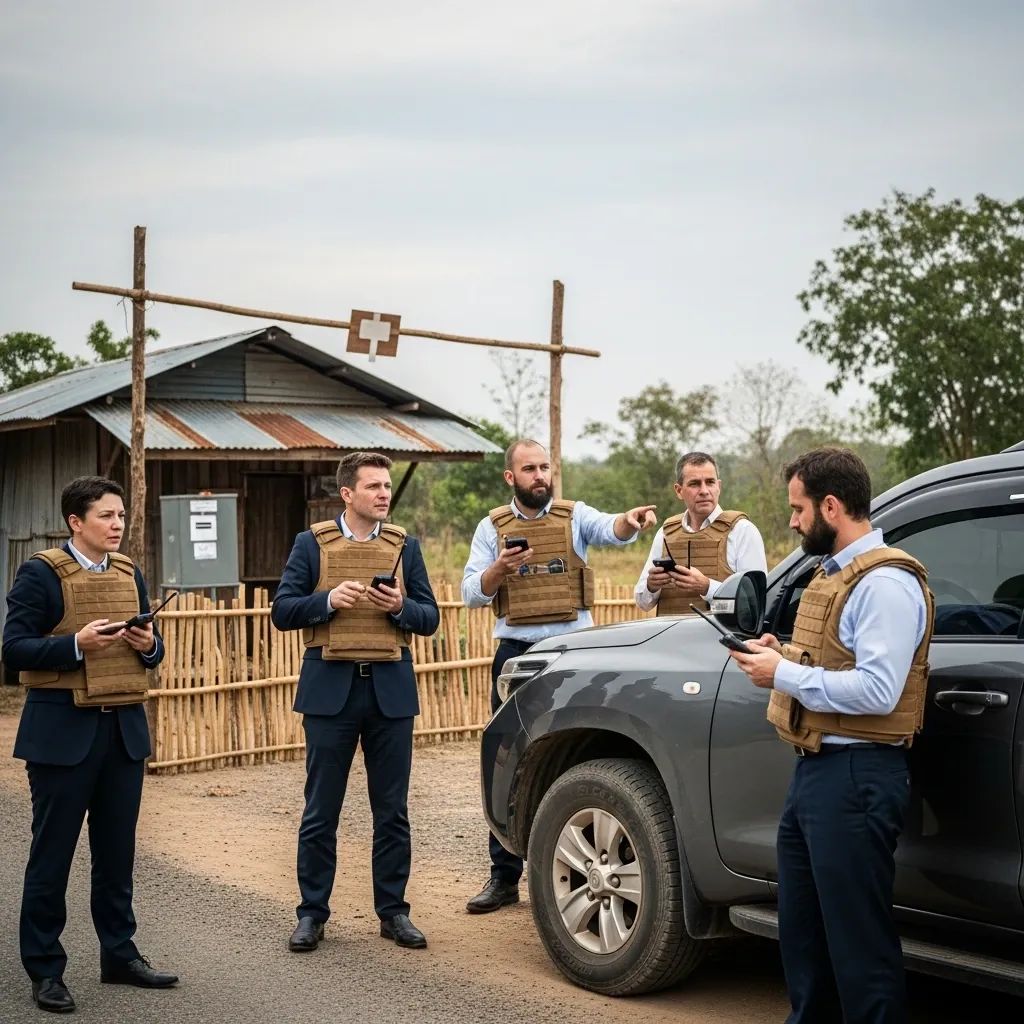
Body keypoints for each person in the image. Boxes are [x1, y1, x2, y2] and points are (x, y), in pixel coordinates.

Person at [729, 448, 934, 1024]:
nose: (792, 521)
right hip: (817, 773)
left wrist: (782, 674)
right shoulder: (839, 575)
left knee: (856, 941)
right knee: (805, 934)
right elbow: (840, 662)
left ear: (831, 506)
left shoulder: (885, 584)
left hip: (857, 776)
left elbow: (878, 692)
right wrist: (784, 653)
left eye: (798, 509)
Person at [2, 476, 178, 1014]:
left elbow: (152, 654)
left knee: (117, 855)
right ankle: (44, 969)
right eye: (106, 515)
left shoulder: (129, 572)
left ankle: (119, 955)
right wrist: (74, 645)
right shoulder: (40, 573)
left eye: (121, 514)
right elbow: (14, 649)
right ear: (76, 522)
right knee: (51, 857)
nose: (118, 524)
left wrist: (150, 644)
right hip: (61, 736)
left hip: (123, 732)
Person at [462, 438, 657, 913]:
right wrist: (499, 569)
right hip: (516, 656)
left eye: (545, 467)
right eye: (530, 469)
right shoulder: (491, 527)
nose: (540, 476)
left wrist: (628, 521)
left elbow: (612, 530)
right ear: (511, 477)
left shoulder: (574, 516)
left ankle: (573, 868)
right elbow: (472, 593)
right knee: (508, 762)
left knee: (581, 752)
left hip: (573, 654)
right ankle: (503, 878)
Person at [272, 451, 439, 953]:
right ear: (347, 493)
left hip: (391, 692)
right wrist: (327, 600)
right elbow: (283, 610)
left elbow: (430, 617)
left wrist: (401, 607)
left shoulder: (404, 546)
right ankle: (311, 914)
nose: (384, 493)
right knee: (321, 811)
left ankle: (394, 913)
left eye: (387, 485)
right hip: (330, 693)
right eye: (374, 486)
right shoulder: (311, 544)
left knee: (392, 812)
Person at [634, 451, 767, 614]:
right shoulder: (665, 534)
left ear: (719, 486)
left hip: (719, 632)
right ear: (679, 490)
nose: (704, 490)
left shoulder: (742, 531)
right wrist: (651, 585)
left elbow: (754, 604)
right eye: (695, 484)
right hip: (671, 631)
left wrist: (707, 587)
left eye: (710, 482)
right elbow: (643, 603)